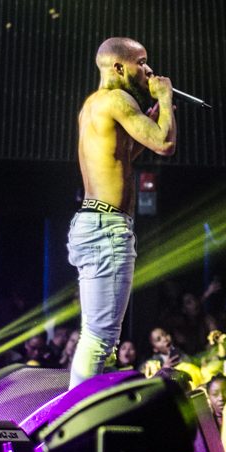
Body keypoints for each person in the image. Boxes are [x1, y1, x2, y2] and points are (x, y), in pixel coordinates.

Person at [67, 36, 176, 389]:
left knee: (99, 336)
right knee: (99, 338)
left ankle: (88, 403)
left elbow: (121, 158)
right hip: (107, 226)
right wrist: (165, 99)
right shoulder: (118, 99)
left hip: (92, 221)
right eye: (140, 62)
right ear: (118, 67)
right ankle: (75, 413)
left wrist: (150, 118)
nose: (148, 70)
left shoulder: (93, 105)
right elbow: (165, 143)